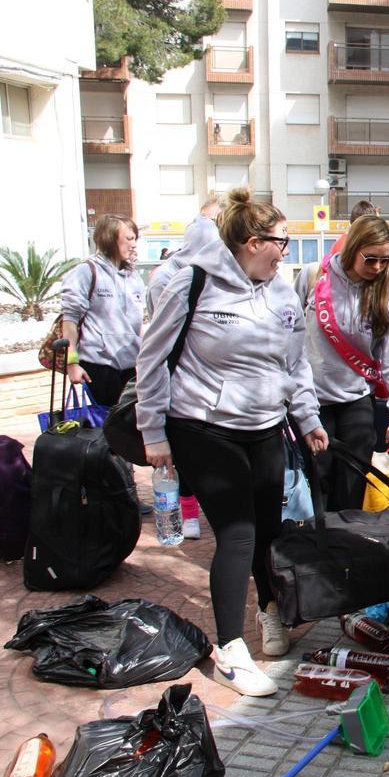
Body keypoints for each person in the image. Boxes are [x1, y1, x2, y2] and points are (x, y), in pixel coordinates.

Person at [136, 188, 329, 697]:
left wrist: (306, 417)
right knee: (239, 532)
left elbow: (295, 364)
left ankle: (270, 615)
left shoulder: (282, 292)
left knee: (268, 530)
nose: (287, 251)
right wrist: (152, 431)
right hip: (203, 426)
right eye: (280, 241)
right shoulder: (192, 282)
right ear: (250, 241)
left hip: (266, 426)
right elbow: (152, 359)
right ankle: (230, 650)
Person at [296, 216, 389, 511]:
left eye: (384, 260)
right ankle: (314, 546)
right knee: (316, 480)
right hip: (312, 400)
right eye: (370, 259)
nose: (376, 267)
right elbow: (289, 334)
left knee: (352, 482)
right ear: (352, 249)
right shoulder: (313, 277)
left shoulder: (387, 292)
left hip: (356, 399)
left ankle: (345, 546)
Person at [145, 194, 223, 539]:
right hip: (179, 380)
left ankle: (200, 511)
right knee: (183, 458)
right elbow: (157, 345)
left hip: (206, 382)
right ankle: (187, 513)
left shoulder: (214, 277)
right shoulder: (171, 278)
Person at [61, 214, 145, 407]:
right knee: (107, 427)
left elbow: (137, 324)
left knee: (132, 427)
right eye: (129, 238)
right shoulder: (86, 271)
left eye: (135, 239)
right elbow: (70, 321)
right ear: (109, 238)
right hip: (99, 366)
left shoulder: (133, 277)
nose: (134, 244)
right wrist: (72, 363)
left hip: (132, 366)